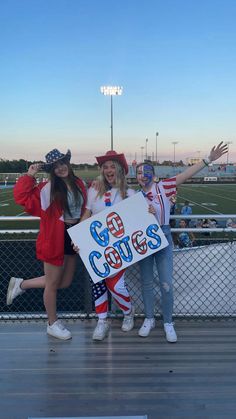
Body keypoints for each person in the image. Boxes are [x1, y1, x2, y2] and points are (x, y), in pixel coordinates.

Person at [136, 142, 228, 342]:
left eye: (146, 171)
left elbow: (186, 174)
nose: (143, 175)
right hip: (144, 239)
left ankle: (168, 322)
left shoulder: (164, 186)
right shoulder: (134, 197)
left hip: (164, 236)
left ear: (153, 173)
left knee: (166, 282)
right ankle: (149, 318)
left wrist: (208, 159)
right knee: (146, 282)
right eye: (139, 173)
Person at [6, 149, 87, 340]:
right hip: (55, 237)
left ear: (68, 162)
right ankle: (52, 323)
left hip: (74, 236)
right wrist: (29, 175)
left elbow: (88, 207)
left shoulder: (80, 183)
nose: (60, 168)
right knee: (51, 283)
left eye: (62, 163)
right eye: (55, 166)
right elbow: (22, 198)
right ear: (52, 170)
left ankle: (22, 284)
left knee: (64, 282)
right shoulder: (48, 188)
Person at [78, 150, 135, 341]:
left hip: (118, 248)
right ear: (102, 170)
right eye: (105, 167)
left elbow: (138, 220)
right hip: (96, 246)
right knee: (98, 284)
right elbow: (87, 214)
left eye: (113, 166)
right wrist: (78, 236)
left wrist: (149, 210)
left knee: (116, 286)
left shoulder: (130, 193)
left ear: (120, 169)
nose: (109, 170)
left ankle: (128, 312)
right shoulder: (93, 190)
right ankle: (102, 320)